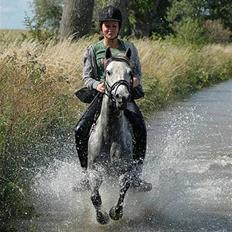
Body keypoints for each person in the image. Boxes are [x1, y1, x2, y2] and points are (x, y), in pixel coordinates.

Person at [75, 5, 152, 191]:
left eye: (114, 26)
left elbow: (137, 73)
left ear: (119, 27)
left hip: (125, 96)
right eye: (107, 26)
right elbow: (87, 77)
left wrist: (134, 81)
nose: (110, 29)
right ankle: (86, 174)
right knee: (80, 129)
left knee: (140, 128)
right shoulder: (93, 50)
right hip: (101, 96)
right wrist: (96, 85)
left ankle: (135, 175)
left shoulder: (129, 48)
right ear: (101, 28)